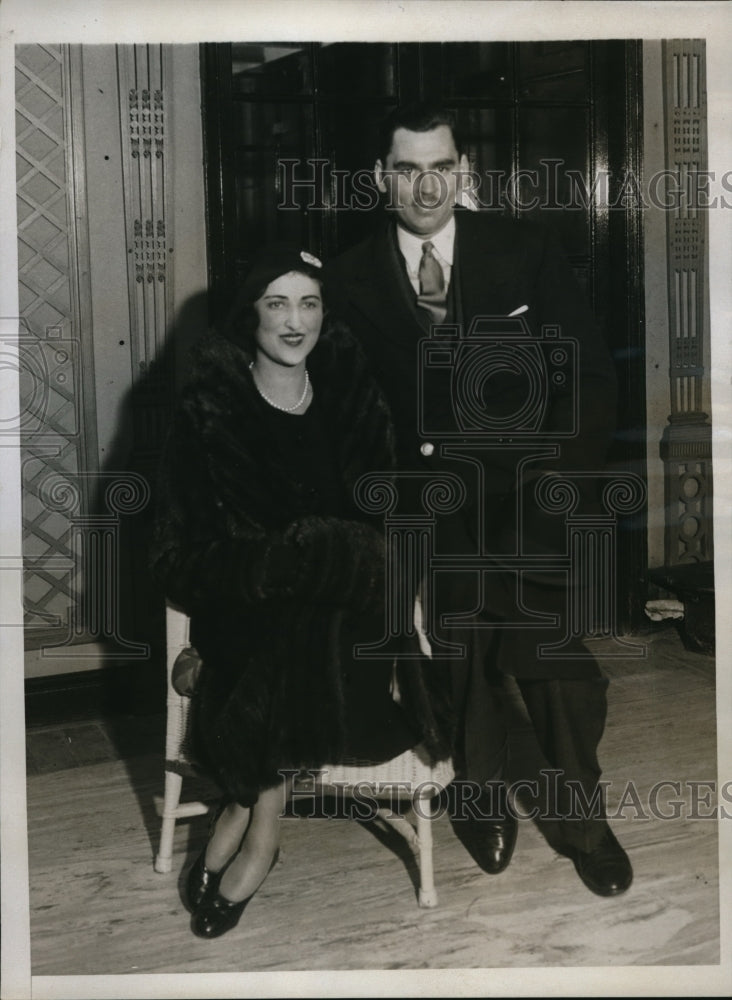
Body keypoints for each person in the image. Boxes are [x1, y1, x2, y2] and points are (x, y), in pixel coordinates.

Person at [326, 102, 633, 897]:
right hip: (426, 513)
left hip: (529, 499)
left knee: (554, 663)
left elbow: (592, 378)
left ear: (462, 171)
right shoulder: (348, 278)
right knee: (458, 666)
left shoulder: (523, 249)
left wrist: (557, 482)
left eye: (441, 167)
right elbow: (344, 415)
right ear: (380, 178)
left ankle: (582, 821)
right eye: (407, 169)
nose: (426, 186)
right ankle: (481, 796)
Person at [151, 244, 450, 939]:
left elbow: (395, 523)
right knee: (275, 636)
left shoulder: (353, 399)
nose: (295, 322)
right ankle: (262, 818)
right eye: (276, 303)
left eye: (309, 303)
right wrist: (281, 564)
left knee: (308, 630)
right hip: (245, 613)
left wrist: (327, 556)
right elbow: (174, 558)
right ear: (249, 314)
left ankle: (253, 814)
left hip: (352, 627)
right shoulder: (208, 413)